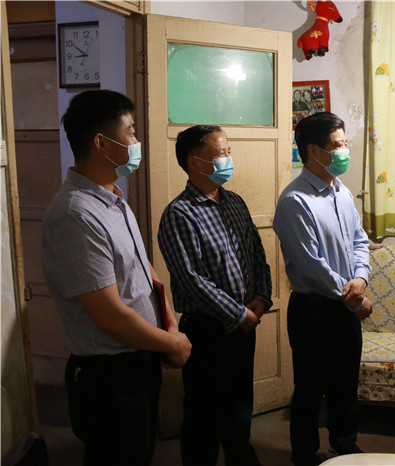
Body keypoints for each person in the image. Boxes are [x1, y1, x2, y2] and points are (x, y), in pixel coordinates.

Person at [41, 90, 192, 466]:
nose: (137, 140)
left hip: (138, 361)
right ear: (101, 143)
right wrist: (170, 343)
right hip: (109, 377)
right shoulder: (76, 215)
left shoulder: (112, 199)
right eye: (131, 131)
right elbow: (107, 314)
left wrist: (168, 324)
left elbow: (143, 269)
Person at [158, 125, 272, 466]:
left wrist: (262, 297)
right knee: (204, 417)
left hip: (245, 326)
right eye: (220, 153)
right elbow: (191, 279)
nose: (228, 159)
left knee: (240, 409)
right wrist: (238, 315)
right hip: (208, 331)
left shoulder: (235, 202)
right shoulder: (179, 214)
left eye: (228, 151)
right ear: (195, 163)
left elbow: (257, 254)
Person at [273, 112, 373, 466]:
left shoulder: (340, 190)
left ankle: (344, 447)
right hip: (314, 310)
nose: (344, 151)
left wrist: (361, 279)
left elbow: (359, 240)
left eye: (345, 143)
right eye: (337, 145)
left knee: (346, 385)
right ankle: (304, 455)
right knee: (311, 389)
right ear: (313, 151)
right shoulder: (295, 201)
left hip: (346, 305)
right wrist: (353, 299)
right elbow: (310, 266)